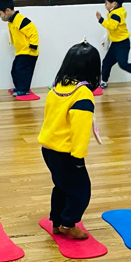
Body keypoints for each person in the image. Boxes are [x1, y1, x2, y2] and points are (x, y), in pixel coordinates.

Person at [38, 41, 101, 239]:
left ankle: (56, 223)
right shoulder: (83, 94)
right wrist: (78, 157)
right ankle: (68, 224)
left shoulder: (58, 87)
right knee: (81, 191)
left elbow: (49, 116)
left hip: (48, 148)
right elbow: (80, 129)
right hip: (67, 153)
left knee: (61, 186)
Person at [0, 0, 40, 97]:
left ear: (7, 10)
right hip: (21, 51)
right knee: (15, 70)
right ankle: (19, 87)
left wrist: (33, 45)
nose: (0, 16)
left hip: (29, 52)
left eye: (0, 14)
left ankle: (24, 89)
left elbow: (33, 31)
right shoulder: (12, 22)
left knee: (23, 71)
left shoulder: (20, 20)